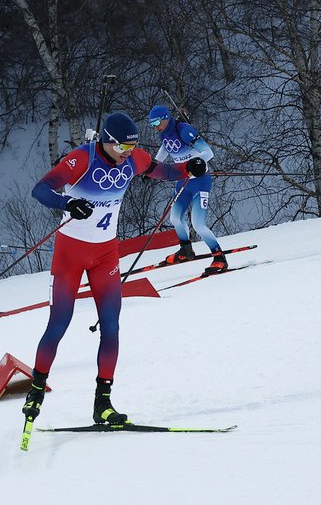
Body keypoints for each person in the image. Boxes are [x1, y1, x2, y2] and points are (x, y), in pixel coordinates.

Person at [22, 112, 205, 425]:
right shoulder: (82, 158)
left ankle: (103, 403)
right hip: (70, 254)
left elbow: (160, 170)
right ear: (107, 141)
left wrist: (188, 168)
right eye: (122, 147)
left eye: (132, 147)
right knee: (59, 323)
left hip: (106, 254)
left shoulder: (132, 158)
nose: (127, 153)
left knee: (111, 325)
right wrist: (66, 203)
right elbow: (41, 189)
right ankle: (36, 390)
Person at [147, 104, 227, 274]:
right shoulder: (164, 134)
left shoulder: (183, 130)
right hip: (183, 179)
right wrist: (151, 168)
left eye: (156, 123)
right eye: (152, 125)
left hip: (200, 180)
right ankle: (186, 250)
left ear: (166, 118)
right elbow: (164, 150)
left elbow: (208, 152)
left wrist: (195, 162)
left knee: (197, 223)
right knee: (175, 218)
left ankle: (219, 257)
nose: (155, 127)